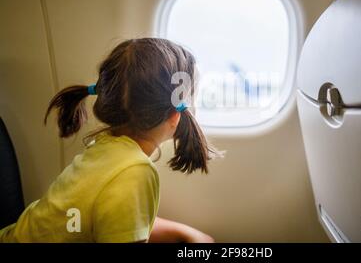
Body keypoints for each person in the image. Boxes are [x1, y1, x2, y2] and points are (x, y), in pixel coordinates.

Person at [0, 38, 217, 243]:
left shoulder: (108, 148)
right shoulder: (134, 172)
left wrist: (186, 233)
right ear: (175, 116)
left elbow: (118, 218)